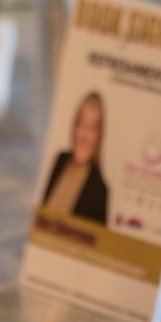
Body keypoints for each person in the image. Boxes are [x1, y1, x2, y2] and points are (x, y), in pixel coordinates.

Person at [41, 91, 110, 223]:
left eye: (92, 128)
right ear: (74, 126)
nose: (84, 135)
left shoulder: (100, 190)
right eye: (81, 124)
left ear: (99, 136)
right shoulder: (60, 160)